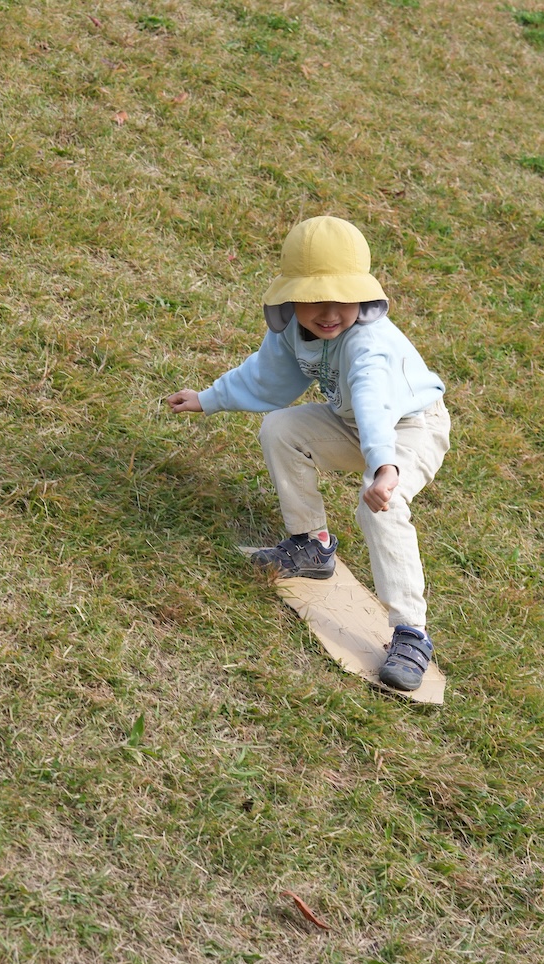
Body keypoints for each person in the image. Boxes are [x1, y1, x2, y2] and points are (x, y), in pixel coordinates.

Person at [167, 216, 450, 691]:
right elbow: (266, 378)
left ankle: (411, 633)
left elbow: (374, 401)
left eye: (340, 300)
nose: (328, 313)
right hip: (352, 422)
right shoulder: (296, 333)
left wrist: (384, 467)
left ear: (362, 296)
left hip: (408, 427)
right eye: (313, 301)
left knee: (381, 508)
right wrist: (208, 398)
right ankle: (312, 545)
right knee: (282, 427)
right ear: (291, 298)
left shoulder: (368, 345)